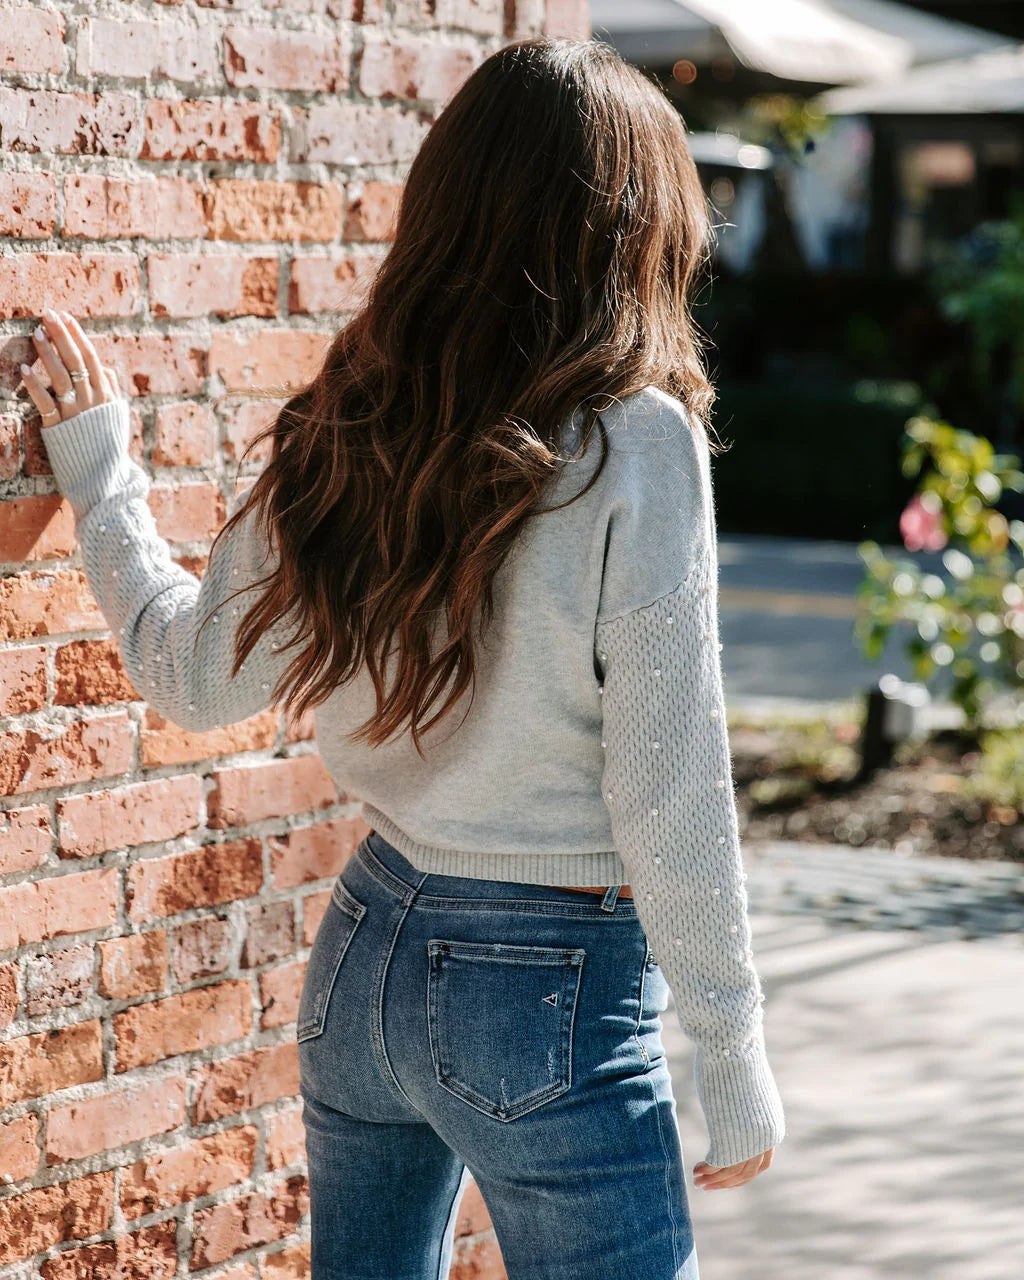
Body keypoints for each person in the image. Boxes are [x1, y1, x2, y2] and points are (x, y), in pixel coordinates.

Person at [19, 36, 784, 1280]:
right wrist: (732, 1044)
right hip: (551, 989)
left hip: (364, 955)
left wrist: (103, 470)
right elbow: (671, 775)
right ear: (630, 233)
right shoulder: (638, 442)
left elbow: (194, 678)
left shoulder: (351, 412)